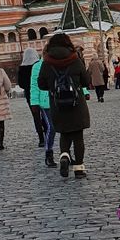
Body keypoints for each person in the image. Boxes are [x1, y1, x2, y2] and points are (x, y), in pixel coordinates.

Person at [37, 33, 91, 179]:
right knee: (78, 136)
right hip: (76, 104)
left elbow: (41, 84)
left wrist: (53, 86)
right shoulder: (75, 59)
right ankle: (79, 169)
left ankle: (64, 156)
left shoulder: (47, 62)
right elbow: (86, 81)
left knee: (64, 133)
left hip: (57, 105)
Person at [29, 54, 56, 167]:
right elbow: (34, 85)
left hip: (61, 99)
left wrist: (84, 92)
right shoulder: (37, 66)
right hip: (45, 102)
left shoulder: (61, 61)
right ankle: (49, 153)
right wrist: (34, 102)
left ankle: (66, 154)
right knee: (51, 127)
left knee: (65, 128)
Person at [18, 47, 44, 147]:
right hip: (42, 92)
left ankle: (41, 138)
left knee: (36, 116)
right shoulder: (39, 65)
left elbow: (21, 84)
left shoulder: (22, 68)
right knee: (45, 113)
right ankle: (47, 131)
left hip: (30, 95)